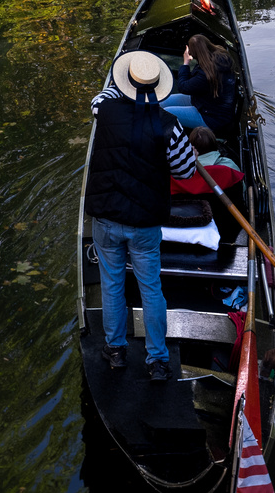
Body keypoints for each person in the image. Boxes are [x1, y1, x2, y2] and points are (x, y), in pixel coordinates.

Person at [84, 50, 196, 382]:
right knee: (151, 289)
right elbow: (186, 171)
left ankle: (116, 350)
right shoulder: (169, 126)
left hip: (106, 218)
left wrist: (123, 86)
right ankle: (157, 360)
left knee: (112, 284)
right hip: (144, 222)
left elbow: (101, 96)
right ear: (158, 87)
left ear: (124, 84)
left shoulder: (103, 109)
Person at [174, 33, 238, 132]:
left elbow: (183, 87)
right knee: (160, 103)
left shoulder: (205, 74)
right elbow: (191, 82)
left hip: (211, 118)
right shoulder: (219, 56)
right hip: (203, 102)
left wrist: (186, 63)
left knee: (165, 113)